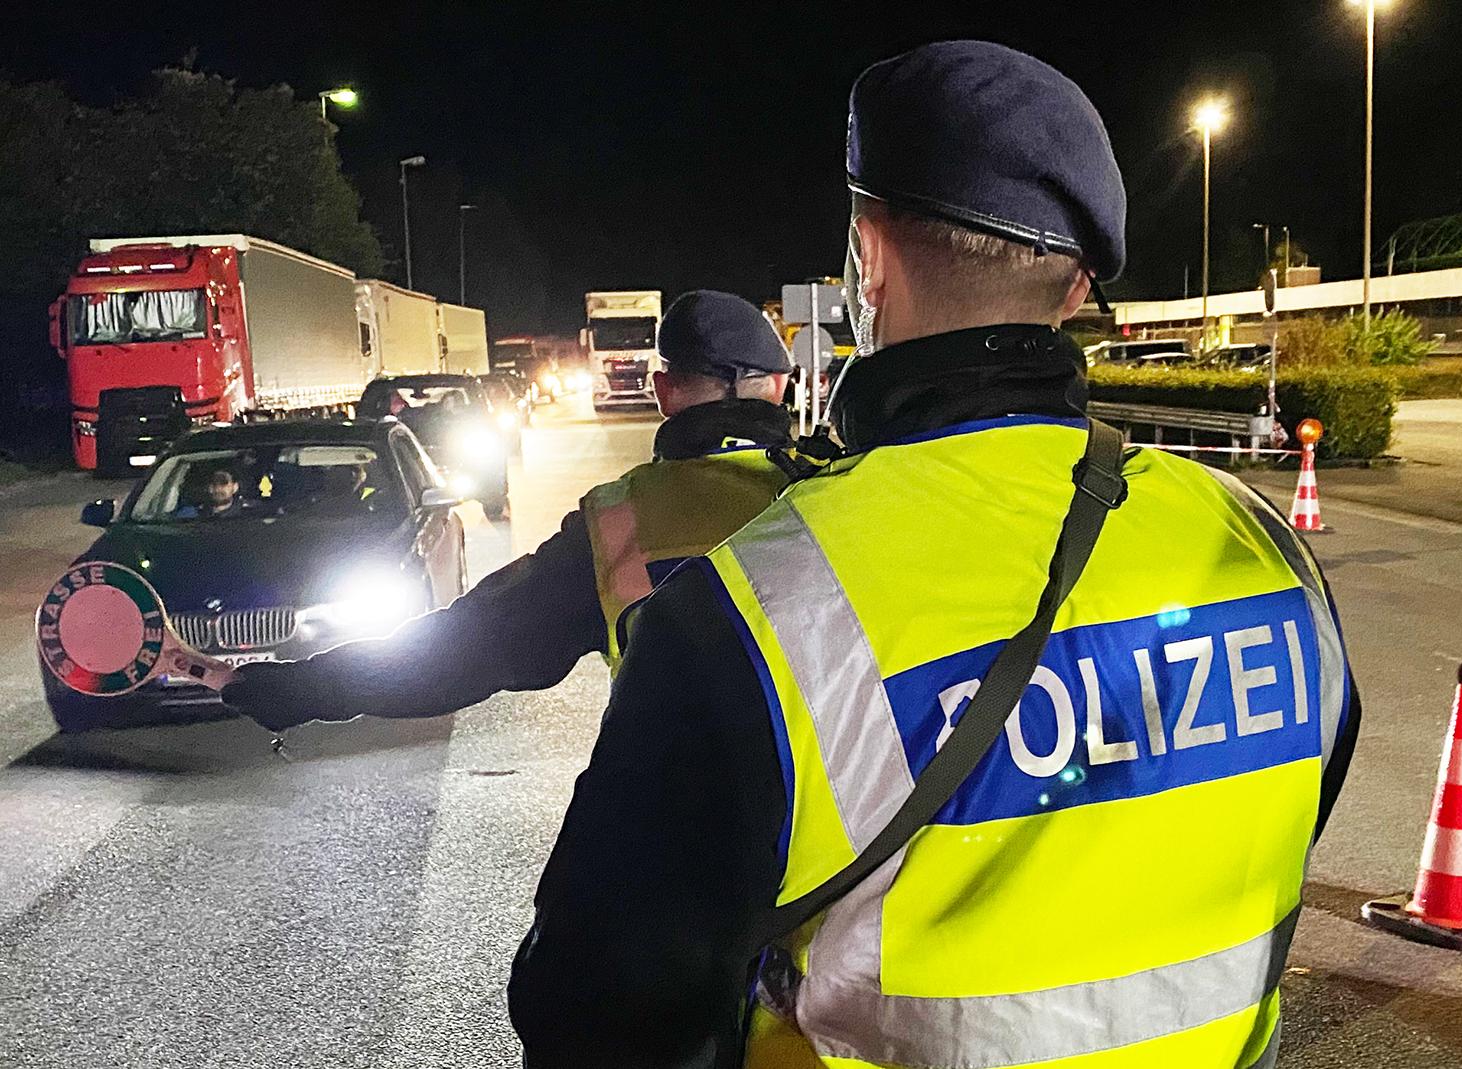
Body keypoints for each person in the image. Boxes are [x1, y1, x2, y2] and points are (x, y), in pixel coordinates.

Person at [506, 41, 1360, 1069]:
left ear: (867, 260)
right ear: (1077, 285)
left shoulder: (754, 602)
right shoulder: (1261, 544)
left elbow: (595, 1005)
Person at [220, 289, 796, 727]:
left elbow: (463, 650)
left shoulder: (616, 523)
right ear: (777, 388)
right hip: (835, 836)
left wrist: (297, 689)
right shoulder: (825, 491)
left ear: (663, 391)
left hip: (685, 818)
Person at [175, 467, 245, 519]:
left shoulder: (247, 514)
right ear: (210, 488)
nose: (218, 488)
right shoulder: (190, 515)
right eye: (215, 484)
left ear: (235, 487)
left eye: (224, 484)